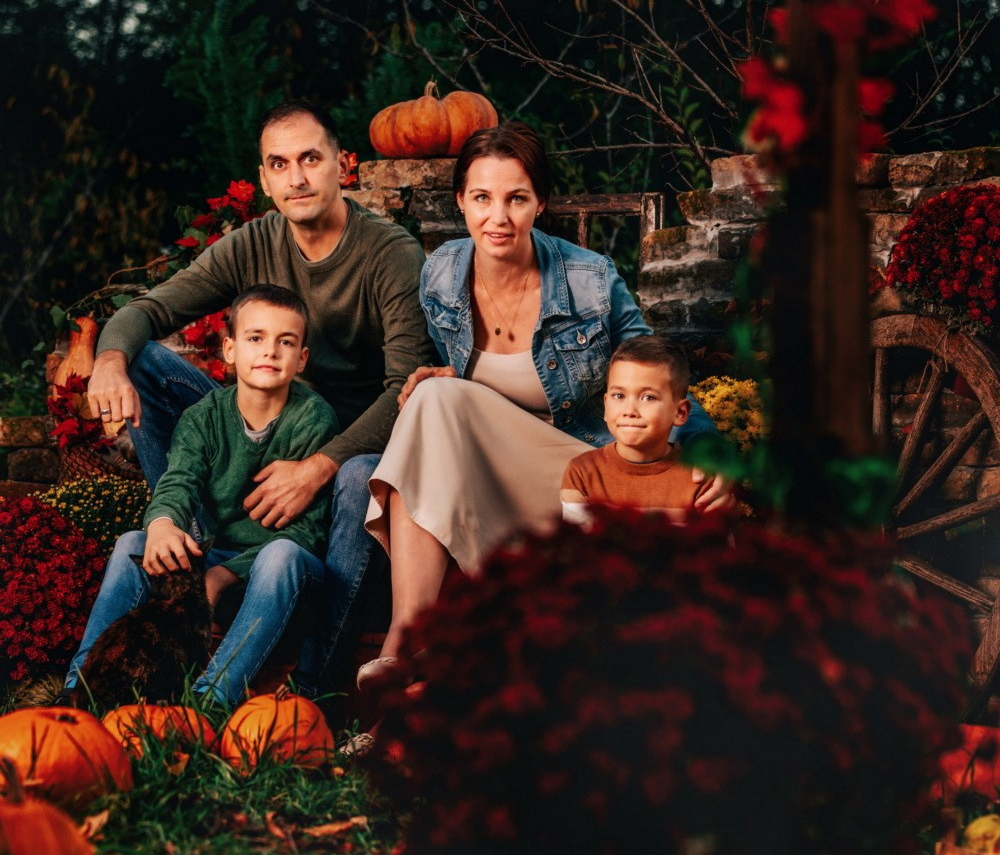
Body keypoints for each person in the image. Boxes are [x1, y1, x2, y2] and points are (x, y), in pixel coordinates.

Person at [358, 121, 729, 688]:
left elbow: (657, 373)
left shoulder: (590, 280)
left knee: (433, 403)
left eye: (516, 199)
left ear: (540, 203)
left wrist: (709, 450)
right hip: (492, 479)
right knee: (429, 397)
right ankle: (405, 640)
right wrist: (447, 377)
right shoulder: (440, 276)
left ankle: (417, 643)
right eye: (481, 198)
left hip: (582, 475)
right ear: (460, 202)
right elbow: (470, 391)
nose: (497, 218)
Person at [85, 99, 433, 691]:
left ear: (341, 166)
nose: (296, 178)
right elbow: (150, 308)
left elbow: (407, 389)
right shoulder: (252, 243)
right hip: (271, 422)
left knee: (356, 478)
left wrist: (317, 467)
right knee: (144, 361)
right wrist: (110, 359)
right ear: (265, 176)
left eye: (310, 159)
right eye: (279, 164)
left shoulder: (388, 252)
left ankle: (319, 675)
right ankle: (196, 550)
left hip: (353, 444)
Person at [63, 286, 337, 706]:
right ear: (229, 349)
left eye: (286, 342)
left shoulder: (313, 418)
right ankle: (77, 692)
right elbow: (179, 480)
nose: (270, 352)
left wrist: (223, 575)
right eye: (255, 338)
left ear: (301, 358)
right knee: (132, 543)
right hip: (215, 554)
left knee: (281, 554)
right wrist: (163, 523)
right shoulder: (205, 416)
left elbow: (310, 532)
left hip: (283, 573)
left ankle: (211, 700)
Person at [560, 336, 700, 525]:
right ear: (606, 405)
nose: (630, 411)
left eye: (648, 397)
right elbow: (578, 549)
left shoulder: (698, 477)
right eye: (619, 395)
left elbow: (716, 551)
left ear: (680, 412)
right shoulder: (583, 473)